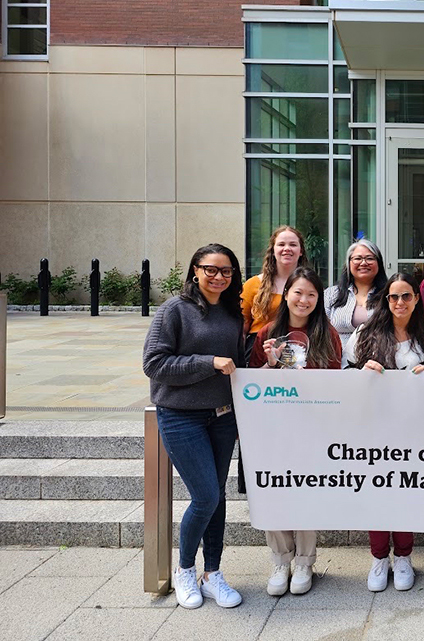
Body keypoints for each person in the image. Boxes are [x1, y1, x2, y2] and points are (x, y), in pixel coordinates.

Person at [142, 243, 245, 610]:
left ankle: (212, 573)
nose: (219, 277)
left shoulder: (234, 312)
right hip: (180, 415)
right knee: (206, 497)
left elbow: (238, 363)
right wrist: (208, 362)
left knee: (217, 497)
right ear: (195, 270)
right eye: (211, 269)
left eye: (227, 271)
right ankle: (185, 568)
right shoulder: (175, 310)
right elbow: (154, 363)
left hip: (222, 416)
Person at [248, 267, 342, 597]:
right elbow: (252, 385)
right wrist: (271, 364)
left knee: (305, 490)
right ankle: (280, 559)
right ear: (286, 294)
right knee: (274, 490)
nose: (304, 300)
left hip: (312, 428)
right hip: (274, 429)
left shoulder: (327, 335)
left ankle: (304, 561)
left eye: (311, 295)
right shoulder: (266, 336)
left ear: (319, 301)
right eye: (298, 293)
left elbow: (335, 384)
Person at [343, 273, 424, 593]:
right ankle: (380, 557)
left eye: (405, 296)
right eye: (393, 297)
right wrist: (360, 372)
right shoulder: (364, 334)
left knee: (406, 492)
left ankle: (405, 556)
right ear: (385, 301)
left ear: (416, 299)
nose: (399, 303)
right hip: (373, 430)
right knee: (378, 492)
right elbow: (344, 372)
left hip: (412, 431)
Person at [241, 226, 307, 361]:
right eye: (281, 244)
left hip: (298, 351)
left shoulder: (310, 286)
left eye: (293, 244)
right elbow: (241, 329)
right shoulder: (253, 284)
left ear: (301, 251)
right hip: (259, 351)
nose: (287, 248)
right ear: (273, 250)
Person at [324, 239, 388, 358]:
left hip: (377, 363)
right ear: (349, 263)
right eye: (358, 258)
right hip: (336, 362)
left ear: (379, 263)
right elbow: (320, 329)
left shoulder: (388, 295)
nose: (363, 263)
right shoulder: (331, 294)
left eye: (369, 258)